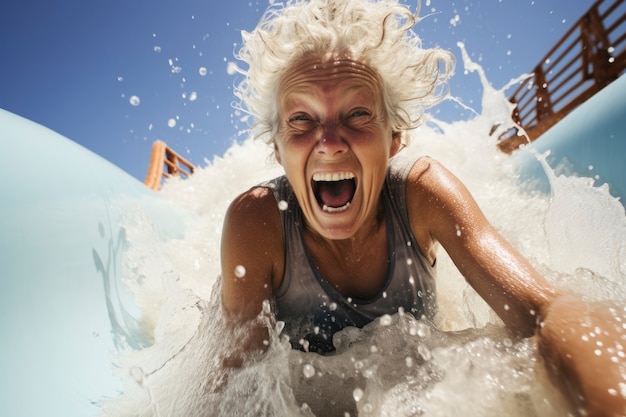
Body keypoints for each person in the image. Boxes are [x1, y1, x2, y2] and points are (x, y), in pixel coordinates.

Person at [220, 0, 626, 415]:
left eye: (358, 113)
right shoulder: (256, 223)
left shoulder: (420, 193)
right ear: (277, 149)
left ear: (394, 138)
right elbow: (240, 383)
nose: (330, 141)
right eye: (302, 120)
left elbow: (543, 312)